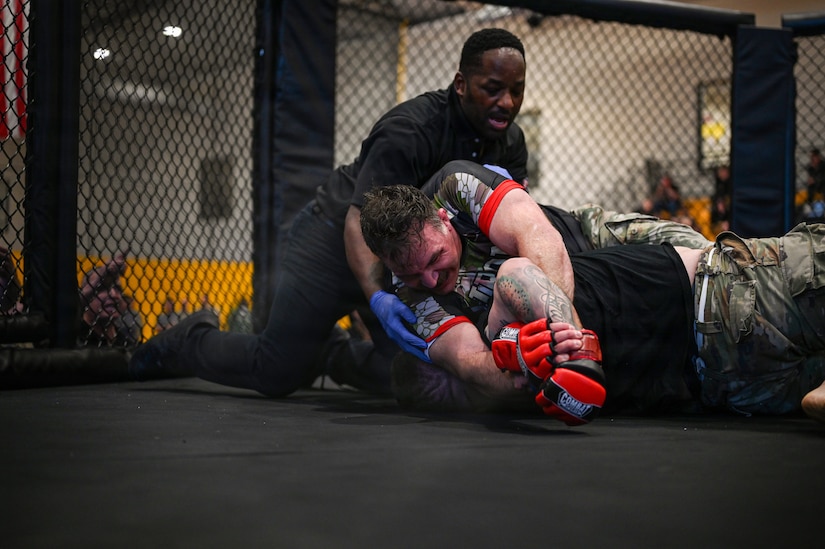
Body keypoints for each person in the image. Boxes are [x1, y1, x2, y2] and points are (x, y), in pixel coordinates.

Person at [128, 28, 532, 397]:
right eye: (493, 88)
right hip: (332, 245)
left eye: (517, 90)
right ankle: (186, 340)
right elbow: (358, 219)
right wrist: (375, 297)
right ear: (461, 84)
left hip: (409, 265)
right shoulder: (411, 130)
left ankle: (331, 354)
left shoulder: (510, 143)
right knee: (276, 371)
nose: (507, 103)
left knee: (417, 376)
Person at [358, 164, 825, 426]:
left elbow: (538, 240)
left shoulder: (455, 189)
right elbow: (468, 362)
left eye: (436, 259)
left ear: (442, 222)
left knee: (719, 264)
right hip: (687, 361)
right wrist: (520, 361)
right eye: (413, 273)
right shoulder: (414, 297)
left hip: (592, 241)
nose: (432, 279)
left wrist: (570, 344)